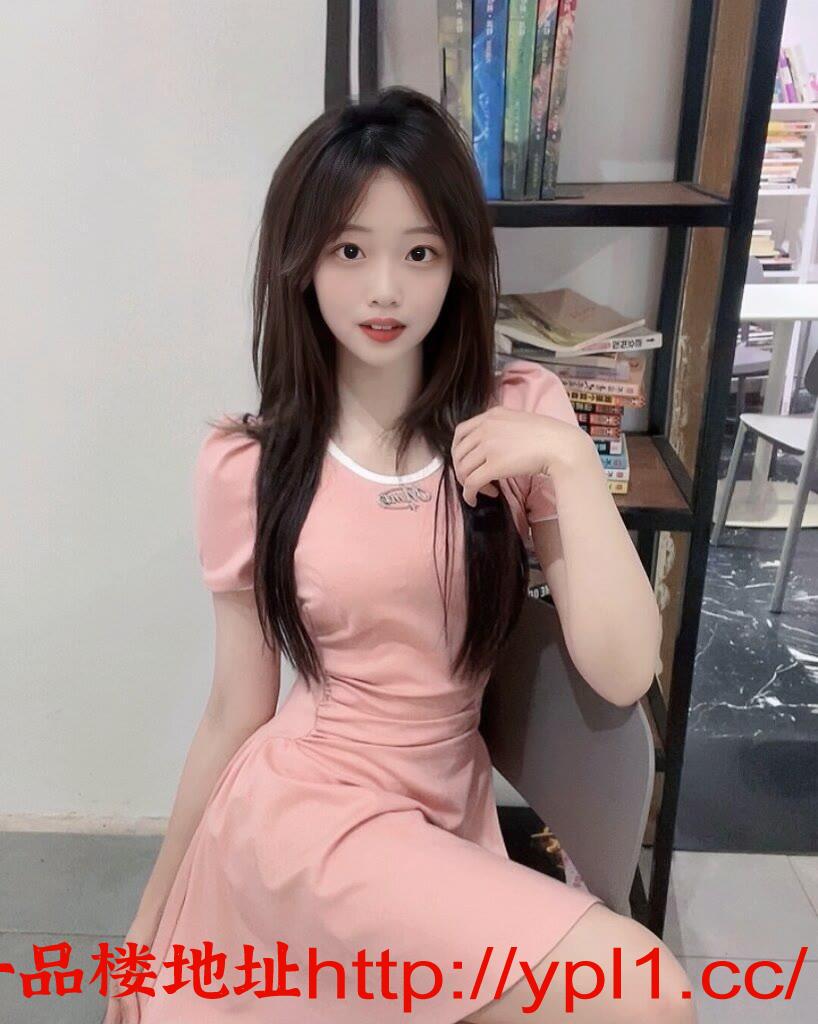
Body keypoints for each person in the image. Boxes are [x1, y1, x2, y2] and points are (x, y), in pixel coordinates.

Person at [103, 86, 696, 1024]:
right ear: (302, 262)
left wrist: (574, 466)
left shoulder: (518, 417)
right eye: (350, 251)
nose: (385, 289)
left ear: (457, 264)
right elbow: (235, 709)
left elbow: (623, 673)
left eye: (419, 252)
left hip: (444, 806)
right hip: (307, 815)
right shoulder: (250, 465)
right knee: (644, 991)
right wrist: (149, 916)